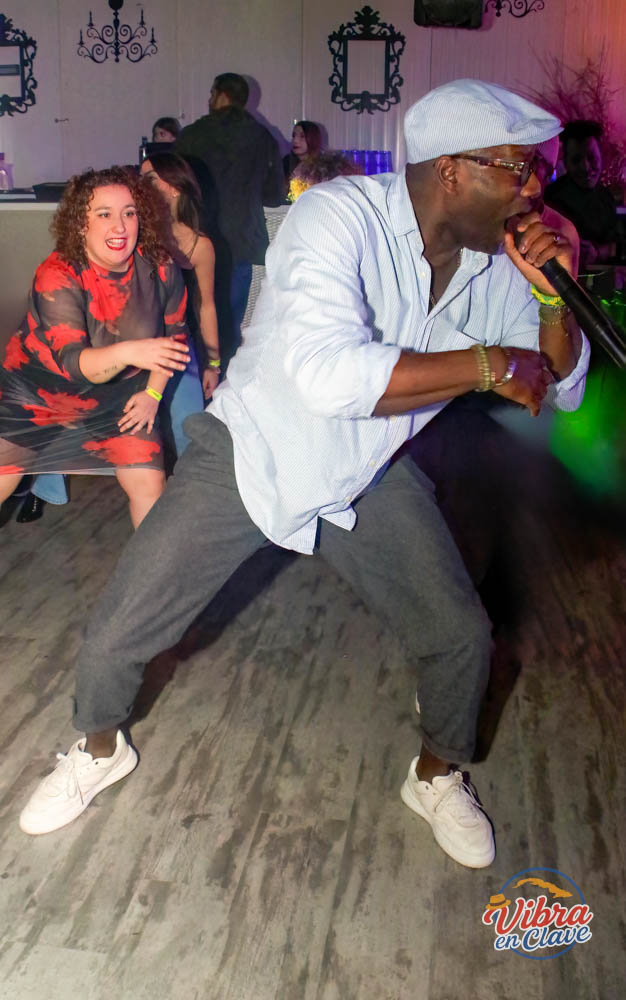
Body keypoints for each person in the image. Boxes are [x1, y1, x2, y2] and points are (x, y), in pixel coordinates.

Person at [19, 80, 589, 869]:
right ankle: (98, 749)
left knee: (460, 635)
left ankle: (434, 774)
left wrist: (552, 299)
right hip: (258, 446)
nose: (534, 193)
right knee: (124, 625)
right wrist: (488, 364)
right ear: (453, 171)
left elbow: (560, 386)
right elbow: (328, 377)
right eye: (518, 169)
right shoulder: (338, 217)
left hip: (367, 466)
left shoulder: (496, 265)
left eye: (539, 171)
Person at [0, 166, 190, 528]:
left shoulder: (160, 267)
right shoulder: (58, 274)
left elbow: (175, 337)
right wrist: (131, 351)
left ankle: (154, 566)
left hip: (120, 396)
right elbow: (74, 364)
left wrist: (153, 393)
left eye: (129, 213)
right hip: (37, 395)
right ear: (80, 224)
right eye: (104, 214)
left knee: (150, 486)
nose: (120, 227)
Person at [175, 72, 285, 359]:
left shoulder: (193, 135)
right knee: (230, 328)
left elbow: (174, 185)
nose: (209, 99)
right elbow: (275, 194)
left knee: (192, 322)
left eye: (212, 93)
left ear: (221, 95)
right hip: (240, 242)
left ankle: (199, 379)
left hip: (197, 238)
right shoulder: (262, 138)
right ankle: (223, 380)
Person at [140, 152, 222, 452]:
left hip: (177, 343)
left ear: (175, 186)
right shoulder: (136, 232)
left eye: (150, 178)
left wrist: (213, 364)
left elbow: (206, 306)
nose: (142, 185)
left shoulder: (201, 245)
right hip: (136, 340)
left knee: (189, 428)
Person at [544, 120, 618, 270]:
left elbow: (615, 245)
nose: (585, 167)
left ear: (601, 157)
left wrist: (596, 252)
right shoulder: (551, 198)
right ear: (565, 162)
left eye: (592, 157)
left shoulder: (607, 197)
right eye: (576, 160)